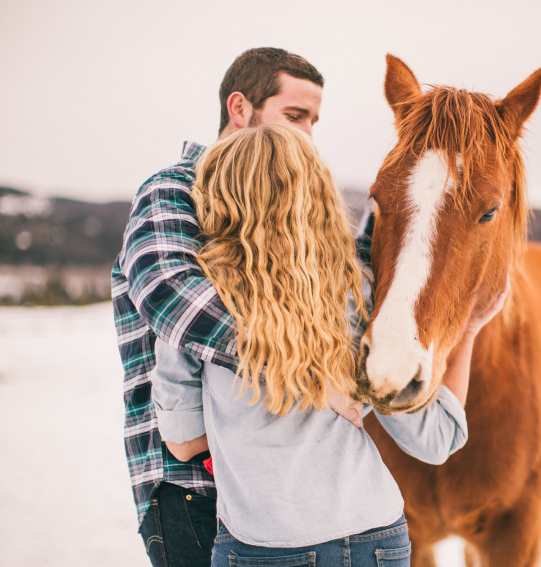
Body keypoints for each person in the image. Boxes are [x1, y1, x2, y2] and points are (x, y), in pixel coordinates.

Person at [151, 123, 506, 566]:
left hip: (265, 545)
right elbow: (437, 440)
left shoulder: (196, 305)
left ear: (220, 197)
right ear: (317, 194)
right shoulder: (356, 293)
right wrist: (470, 331)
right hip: (378, 537)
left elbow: (183, 444)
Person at [111, 47, 364, 566]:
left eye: (314, 121)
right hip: (191, 485)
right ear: (240, 108)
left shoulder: (288, 209)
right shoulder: (174, 189)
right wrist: (310, 367)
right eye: (295, 116)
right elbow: (170, 292)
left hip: (283, 489)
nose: (307, 136)